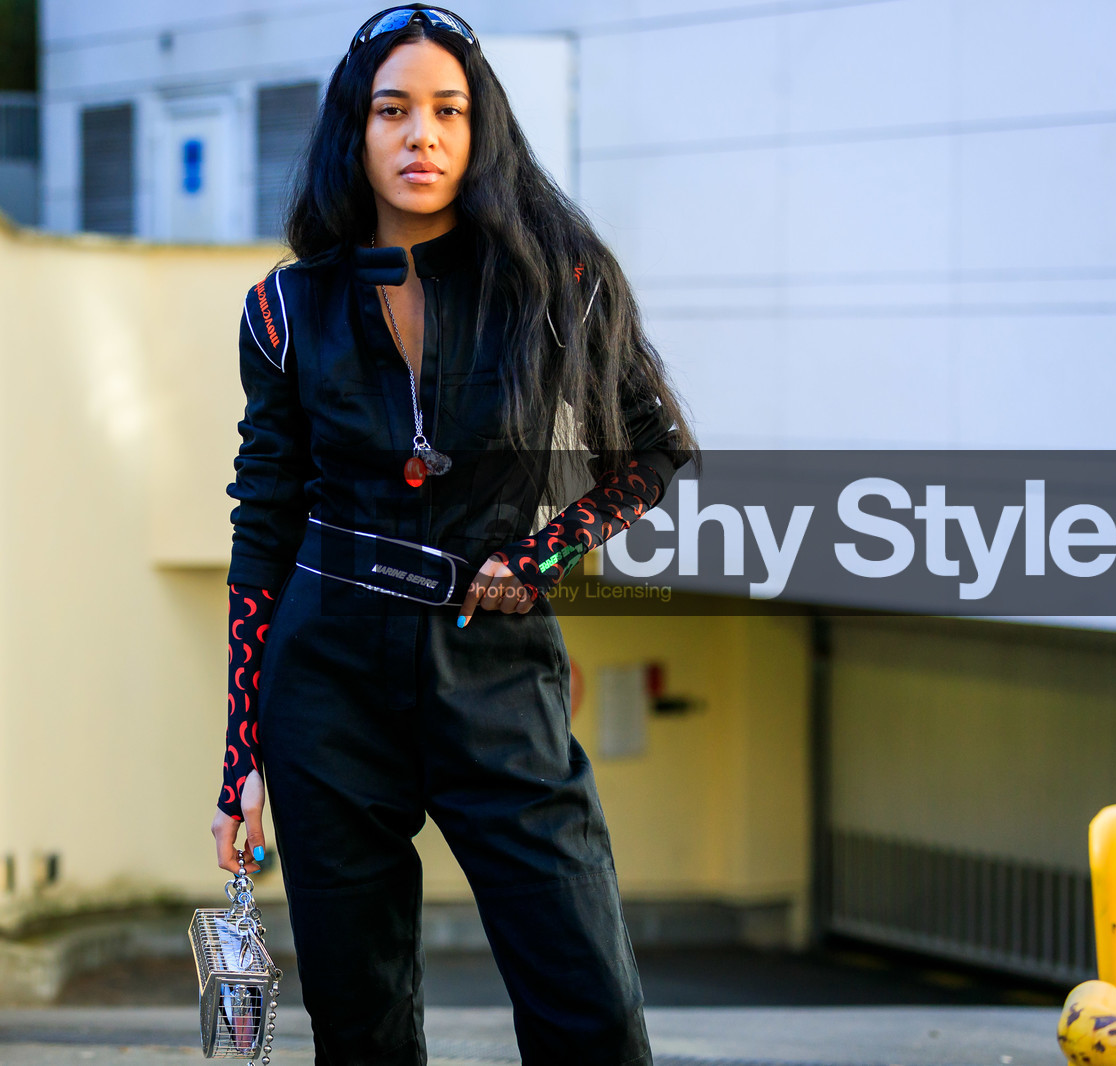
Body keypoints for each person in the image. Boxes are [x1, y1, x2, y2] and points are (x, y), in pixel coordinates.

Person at [209, 6, 696, 1064]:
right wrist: (241, 748)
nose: (419, 134)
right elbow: (263, 526)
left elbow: (652, 456)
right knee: (362, 1022)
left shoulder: (552, 283)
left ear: (480, 135)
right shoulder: (283, 310)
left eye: (446, 111)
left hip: (492, 662)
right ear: (357, 130)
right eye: (393, 110)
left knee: (589, 1004)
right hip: (325, 667)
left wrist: (534, 557)